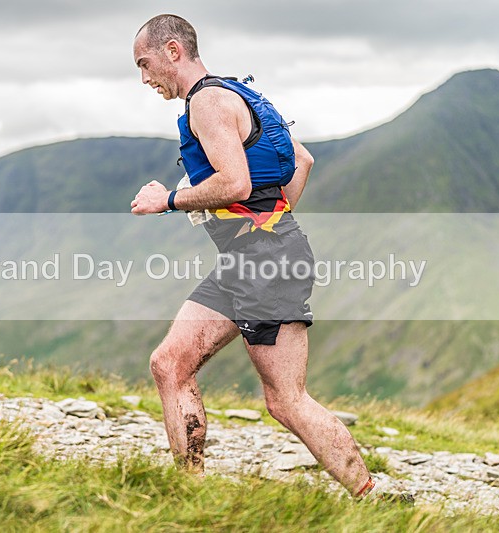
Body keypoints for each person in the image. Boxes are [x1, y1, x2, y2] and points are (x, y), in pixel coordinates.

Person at [131, 14, 376, 499]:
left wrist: (169, 201)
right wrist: (268, 224)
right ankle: (191, 492)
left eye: (145, 64)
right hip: (252, 256)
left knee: (286, 400)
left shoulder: (207, 102)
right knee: (169, 363)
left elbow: (236, 182)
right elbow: (301, 160)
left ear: (173, 51)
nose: (144, 78)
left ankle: (373, 495)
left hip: (266, 262)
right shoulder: (237, 95)